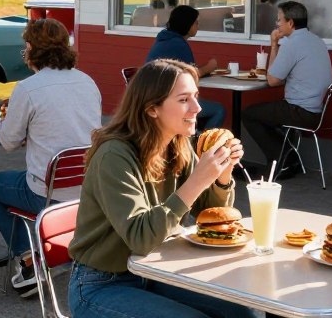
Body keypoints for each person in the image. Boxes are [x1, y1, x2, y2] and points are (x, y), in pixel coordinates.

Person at [68, 60, 255, 318]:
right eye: (183, 100)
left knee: (244, 313)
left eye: (196, 97)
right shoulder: (114, 155)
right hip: (101, 284)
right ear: (152, 108)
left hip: (156, 271)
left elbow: (212, 218)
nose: (197, 108)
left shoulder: (178, 144)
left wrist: (222, 176)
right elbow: (140, 238)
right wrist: (198, 180)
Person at [0, 18, 101, 297]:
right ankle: (45, 253)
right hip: (88, 190)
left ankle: (29, 256)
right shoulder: (88, 81)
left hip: (46, 192)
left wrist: (17, 124)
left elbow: (8, 142)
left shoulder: (28, 88)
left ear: (32, 49)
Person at [242, 0, 332, 180]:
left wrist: (274, 45)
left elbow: (273, 80)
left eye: (279, 20)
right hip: (318, 110)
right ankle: (289, 157)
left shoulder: (292, 44)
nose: (277, 24)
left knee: (249, 114)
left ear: (290, 23)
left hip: (300, 111)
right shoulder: (317, 41)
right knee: (268, 114)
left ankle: (282, 160)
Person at [144, 5, 226, 130]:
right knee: (218, 110)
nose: (198, 25)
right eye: (196, 22)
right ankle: (202, 145)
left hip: (152, 98)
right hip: (166, 101)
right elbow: (191, 74)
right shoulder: (178, 44)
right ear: (187, 24)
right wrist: (210, 67)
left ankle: (193, 138)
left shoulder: (165, 39)